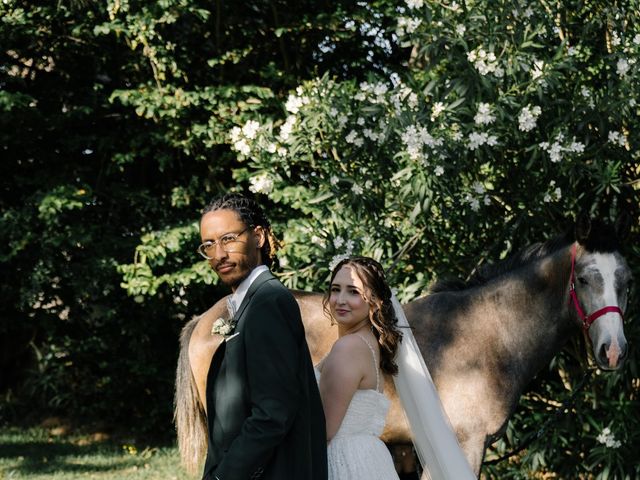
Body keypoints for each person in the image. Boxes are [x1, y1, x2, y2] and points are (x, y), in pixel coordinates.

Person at [188, 192, 328, 480]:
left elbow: (272, 414)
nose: (219, 255)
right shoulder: (252, 302)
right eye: (209, 245)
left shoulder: (268, 303)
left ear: (259, 237)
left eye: (228, 239)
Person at [316, 256, 402, 480]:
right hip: (367, 460)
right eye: (336, 290)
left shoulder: (349, 347)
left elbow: (322, 429)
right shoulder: (367, 342)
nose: (340, 300)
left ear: (375, 300)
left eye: (353, 291)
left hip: (342, 463)